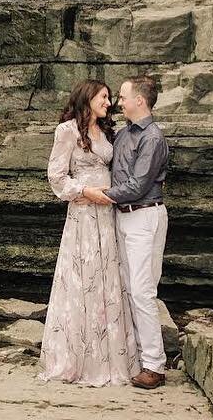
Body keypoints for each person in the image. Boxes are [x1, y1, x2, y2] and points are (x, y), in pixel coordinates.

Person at [37, 80, 139, 386]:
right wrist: (84, 189)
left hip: (107, 215)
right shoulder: (67, 131)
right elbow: (56, 176)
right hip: (83, 214)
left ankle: (110, 358)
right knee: (82, 280)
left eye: (110, 97)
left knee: (108, 279)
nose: (109, 103)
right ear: (88, 98)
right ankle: (78, 360)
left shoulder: (108, 132)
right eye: (104, 97)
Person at [91, 75, 170, 390]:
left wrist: (100, 195)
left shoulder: (152, 137)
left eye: (122, 97)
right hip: (122, 218)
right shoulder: (123, 134)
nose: (118, 103)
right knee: (125, 288)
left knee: (142, 291)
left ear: (140, 100)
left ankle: (154, 365)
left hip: (145, 216)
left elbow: (138, 185)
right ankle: (136, 358)